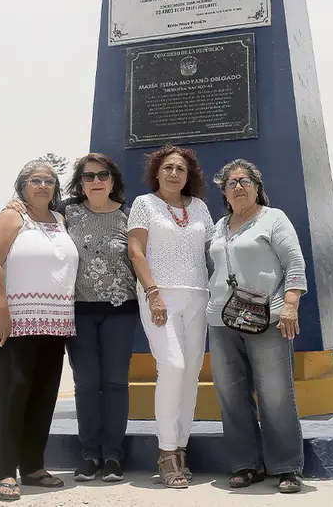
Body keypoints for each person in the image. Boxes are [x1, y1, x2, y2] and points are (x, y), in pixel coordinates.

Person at [5, 153, 138, 483]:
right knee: (87, 384)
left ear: (113, 180)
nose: (96, 181)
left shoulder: (129, 215)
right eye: (88, 176)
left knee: (116, 383)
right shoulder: (68, 214)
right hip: (78, 311)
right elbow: (35, 214)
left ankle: (113, 457)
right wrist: (15, 203)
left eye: (102, 175)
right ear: (80, 183)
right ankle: (90, 455)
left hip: (120, 310)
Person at [205, 159, 306, 493]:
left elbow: (294, 261)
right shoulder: (218, 227)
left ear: (257, 186)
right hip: (221, 319)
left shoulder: (273, 219)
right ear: (224, 192)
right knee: (231, 395)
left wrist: (290, 305)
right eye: (231, 182)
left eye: (245, 180)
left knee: (275, 394)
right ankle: (246, 464)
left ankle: (287, 466)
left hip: (267, 318)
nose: (238, 186)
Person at [0, 160, 79, 502]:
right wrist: (2, 310)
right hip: (18, 321)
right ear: (22, 185)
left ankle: (33, 466)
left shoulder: (60, 219)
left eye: (49, 180)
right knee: (11, 397)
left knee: (42, 397)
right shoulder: (12, 216)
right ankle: (3, 471)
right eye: (35, 180)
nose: (42, 185)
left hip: (55, 323)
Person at [127, 144, 215, 489]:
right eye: (167, 168)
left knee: (191, 374)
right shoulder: (144, 205)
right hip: (159, 297)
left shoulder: (200, 208)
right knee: (173, 366)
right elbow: (135, 250)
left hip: (198, 296)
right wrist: (152, 293)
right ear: (157, 172)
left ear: (188, 174)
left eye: (180, 168)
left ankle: (181, 448)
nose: (174, 173)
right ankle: (165, 453)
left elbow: (214, 247)